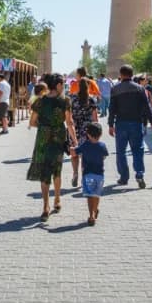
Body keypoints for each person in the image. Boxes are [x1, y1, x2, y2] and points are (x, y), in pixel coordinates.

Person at [26, 74, 75, 221]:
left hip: (43, 138)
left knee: (44, 171)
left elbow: (32, 122)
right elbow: (69, 122)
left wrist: (44, 127)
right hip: (58, 138)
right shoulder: (65, 101)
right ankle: (57, 200)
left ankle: (45, 207)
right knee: (57, 169)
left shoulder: (40, 101)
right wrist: (75, 141)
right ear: (58, 85)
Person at [107, 64, 152, 188]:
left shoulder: (115, 89)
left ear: (121, 74)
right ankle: (139, 174)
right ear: (131, 74)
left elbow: (112, 108)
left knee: (121, 151)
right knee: (138, 150)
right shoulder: (140, 88)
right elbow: (147, 107)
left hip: (121, 123)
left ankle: (124, 177)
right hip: (136, 123)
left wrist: (110, 124)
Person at [69, 70, 99, 188]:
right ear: (88, 86)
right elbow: (95, 117)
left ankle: (75, 173)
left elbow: (68, 114)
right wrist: (97, 130)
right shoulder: (91, 99)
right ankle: (83, 177)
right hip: (87, 129)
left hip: (75, 128)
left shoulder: (72, 98)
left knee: (74, 153)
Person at [75, 122, 109, 225]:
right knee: (96, 195)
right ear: (101, 134)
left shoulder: (85, 145)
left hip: (87, 174)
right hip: (99, 174)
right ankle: (96, 209)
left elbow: (76, 152)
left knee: (89, 196)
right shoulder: (102, 145)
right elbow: (104, 156)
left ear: (88, 134)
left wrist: (71, 148)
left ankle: (91, 215)